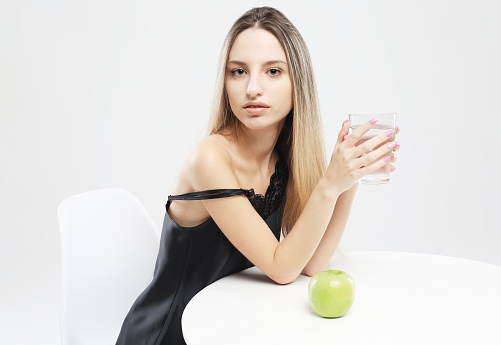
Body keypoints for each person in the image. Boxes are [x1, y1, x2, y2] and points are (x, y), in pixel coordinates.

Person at [116, 6, 399, 345]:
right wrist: (329, 186)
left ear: (299, 83)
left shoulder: (283, 158)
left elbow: (311, 264)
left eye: (273, 72)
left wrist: (350, 176)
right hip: (172, 333)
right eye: (238, 71)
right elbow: (282, 269)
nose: (252, 88)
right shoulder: (209, 158)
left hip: (228, 329)